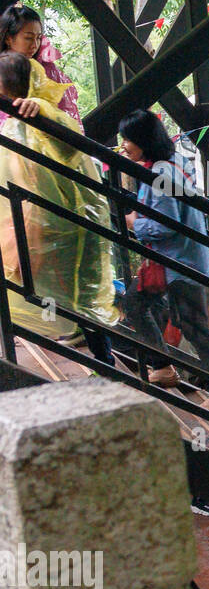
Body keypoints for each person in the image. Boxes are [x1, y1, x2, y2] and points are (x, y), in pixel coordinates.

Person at [0, 52, 118, 363]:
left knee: (79, 297)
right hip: (44, 225)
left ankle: (103, 363)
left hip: (64, 228)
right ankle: (95, 356)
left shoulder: (40, 116)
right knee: (63, 296)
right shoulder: (15, 125)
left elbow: (67, 146)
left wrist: (41, 111)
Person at [118, 108, 209, 415]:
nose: (123, 146)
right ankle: (164, 366)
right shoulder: (168, 163)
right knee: (137, 303)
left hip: (180, 264)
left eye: (128, 139)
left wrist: (133, 223)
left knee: (193, 327)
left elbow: (166, 223)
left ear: (144, 140)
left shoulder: (161, 173)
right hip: (178, 261)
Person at [0, 3, 81, 127]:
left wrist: (39, 106)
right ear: (8, 38)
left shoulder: (46, 70)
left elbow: (63, 114)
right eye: (28, 38)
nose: (35, 45)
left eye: (38, 38)